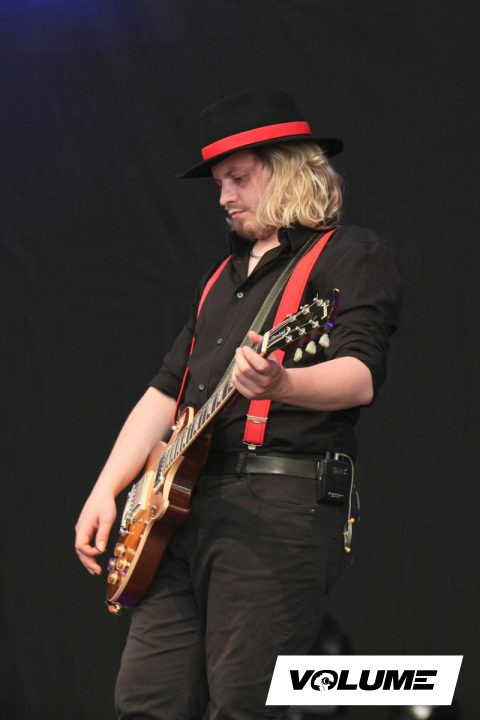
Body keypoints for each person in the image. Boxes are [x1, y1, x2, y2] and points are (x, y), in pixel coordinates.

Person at [75, 88, 401, 719]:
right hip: (180, 511)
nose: (224, 197)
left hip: (276, 507)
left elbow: (360, 376)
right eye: (219, 183)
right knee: (146, 700)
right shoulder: (220, 281)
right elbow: (166, 390)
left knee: (245, 705)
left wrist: (283, 386)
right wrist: (106, 489)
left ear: (288, 169)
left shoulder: (349, 253)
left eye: (238, 178)